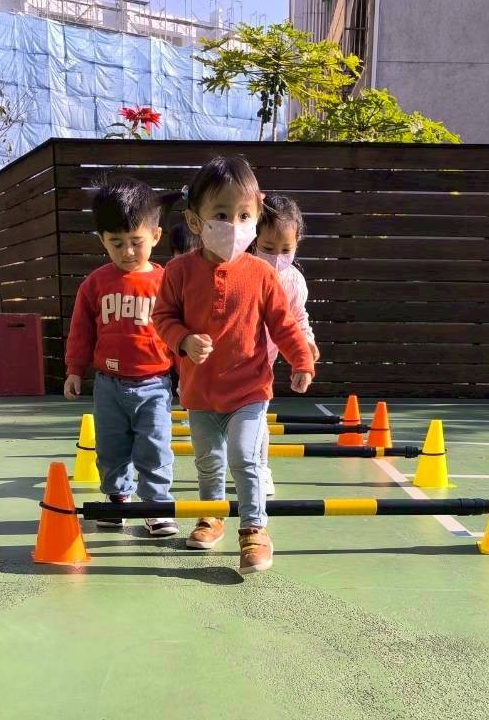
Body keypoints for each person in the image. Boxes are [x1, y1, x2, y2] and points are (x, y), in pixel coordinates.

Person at [152, 155, 315, 575]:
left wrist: (301, 359)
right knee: (208, 461)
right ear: (195, 221)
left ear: (257, 215)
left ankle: (254, 529)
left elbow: (284, 324)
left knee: (245, 457)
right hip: (200, 392)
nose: (234, 225)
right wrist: (183, 339)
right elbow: (162, 317)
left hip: (249, 390)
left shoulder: (262, 274)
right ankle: (211, 515)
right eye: (221, 215)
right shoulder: (178, 271)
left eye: (244, 216)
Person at [63, 175, 178, 537]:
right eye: (116, 243)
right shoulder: (95, 284)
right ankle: (116, 500)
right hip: (108, 385)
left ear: (155, 236)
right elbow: (81, 331)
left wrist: (190, 377)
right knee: (111, 448)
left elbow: (180, 332)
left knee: (155, 447)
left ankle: (156, 506)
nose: (127, 252)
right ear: (102, 240)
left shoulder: (167, 283)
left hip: (154, 384)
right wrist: (74, 370)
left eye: (136, 242)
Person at [252, 193, 320, 496]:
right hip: (227, 357)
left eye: (286, 250)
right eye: (268, 248)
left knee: (257, 418)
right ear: (254, 240)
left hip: (262, 362)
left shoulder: (293, 281)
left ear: (297, 243)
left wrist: (307, 342)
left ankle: (261, 468)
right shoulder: (242, 270)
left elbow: (298, 317)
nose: (277, 256)